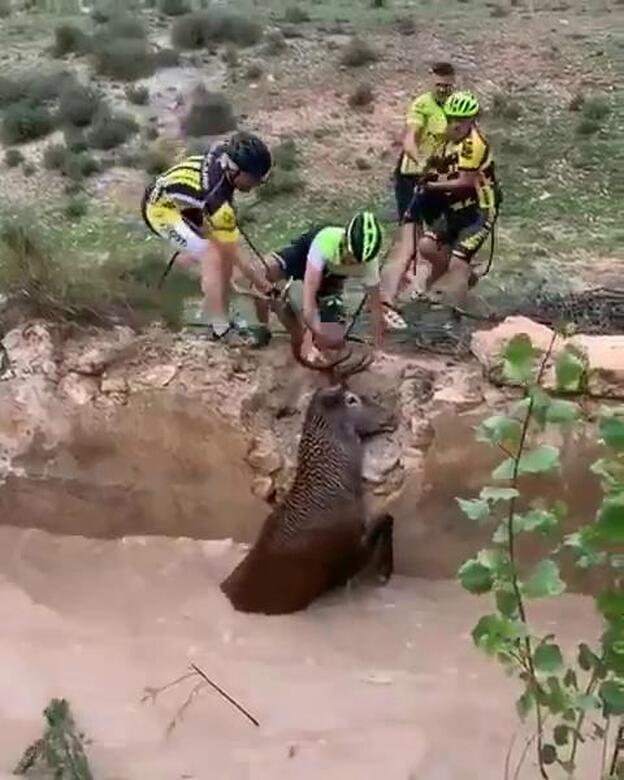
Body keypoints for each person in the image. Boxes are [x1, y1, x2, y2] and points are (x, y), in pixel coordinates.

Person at [141, 131, 277, 345]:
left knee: (223, 259)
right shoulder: (217, 201)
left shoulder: (225, 154)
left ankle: (216, 303)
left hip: (190, 203)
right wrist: (261, 283)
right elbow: (232, 250)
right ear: (235, 170)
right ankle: (221, 329)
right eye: (253, 179)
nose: (256, 185)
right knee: (212, 257)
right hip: (160, 209)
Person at [380, 61, 456, 330]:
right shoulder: (422, 105)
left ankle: (423, 289)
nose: (443, 91)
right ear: (431, 82)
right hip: (412, 177)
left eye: (448, 86)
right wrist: (420, 160)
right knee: (410, 246)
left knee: (439, 241)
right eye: (439, 86)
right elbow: (410, 137)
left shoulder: (455, 107)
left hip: (436, 182)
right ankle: (386, 303)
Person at [254, 211, 386, 363]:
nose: (352, 262)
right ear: (344, 239)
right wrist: (311, 340)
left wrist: (378, 349)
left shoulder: (370, 265)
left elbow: (376, 309)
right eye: (350, 255)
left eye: (358, 261)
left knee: (333, 339)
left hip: (330, 281)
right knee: (262, 271)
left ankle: (292, 316)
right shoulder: (325, 242)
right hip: (304, 259)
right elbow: (309, 300)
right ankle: (262, 329)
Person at [414, 90, 501, 304]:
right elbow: (437, 163)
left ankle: (455, 314)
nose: (455, 124)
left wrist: (432, 186)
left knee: (458, 263)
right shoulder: (446, 139)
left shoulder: (474, 143)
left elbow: (465, 182)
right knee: (427, 246)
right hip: (453, 208)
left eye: (461, 120)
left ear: (471, 119)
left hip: (478, 209)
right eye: (451, 118)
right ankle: (452, 282)